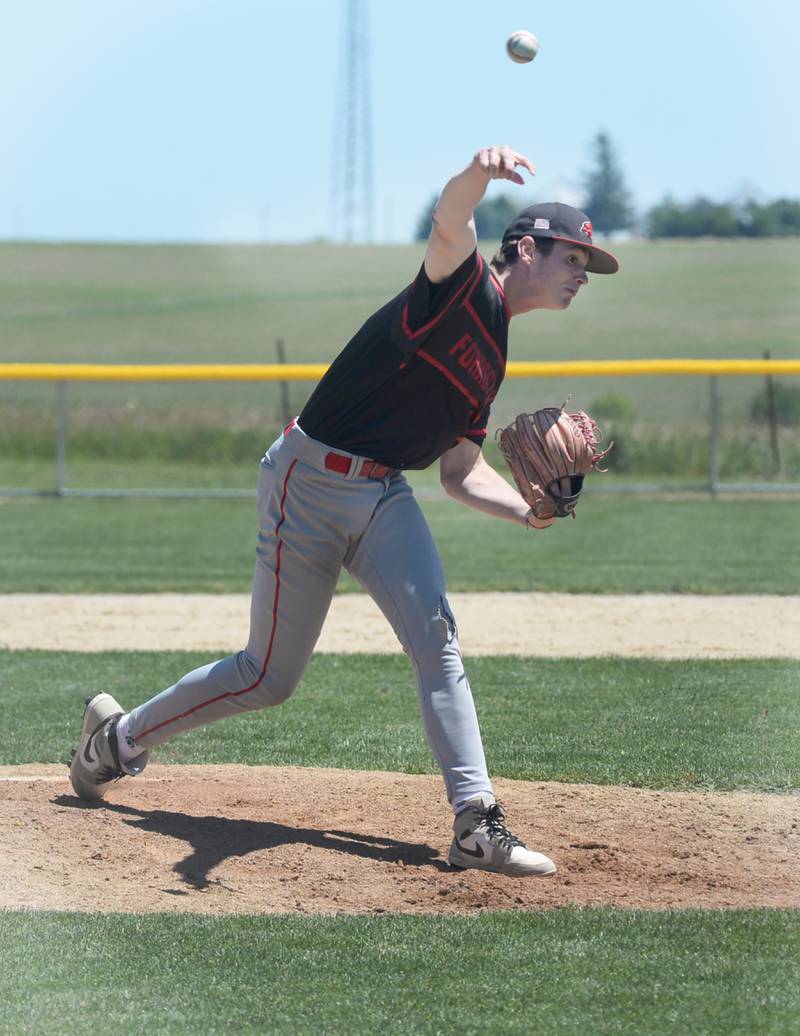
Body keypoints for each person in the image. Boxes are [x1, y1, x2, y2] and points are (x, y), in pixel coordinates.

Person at [70, 145, 619, 878]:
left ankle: (476, 823)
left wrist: (528, 514)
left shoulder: (494, 354)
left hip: (381, 494)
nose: (583, 274)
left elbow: (460, 472)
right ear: (525, 247)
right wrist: (478, 174)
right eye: (574, 257)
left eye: (587, 265)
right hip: (308, 478)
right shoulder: (458, 290)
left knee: (438, 638)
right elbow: (451, 218)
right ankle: (116, 740)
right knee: (269, 677)